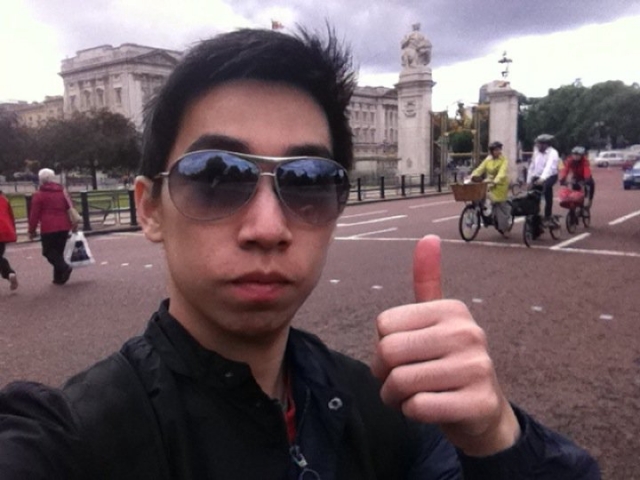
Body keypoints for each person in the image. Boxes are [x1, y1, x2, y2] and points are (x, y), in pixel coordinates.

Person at [0, 28, 599, 479]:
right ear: (150, 208)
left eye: (308, 181)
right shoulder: (73, 439)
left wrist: (496, 437)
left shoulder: (386, 409)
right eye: (215, 175)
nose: (268, 228)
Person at [28, 168, 74, 285]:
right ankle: (58, 278)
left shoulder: (39, 195)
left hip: (48, 227)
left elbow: (34, 214)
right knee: (58, 252)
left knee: (48, 252)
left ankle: (64, 268)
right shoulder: (61, 192)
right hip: (64, 225)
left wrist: (31, 230)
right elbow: (69, 207)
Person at [470, 141, 512, 237]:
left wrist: (496, 181)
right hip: (489, 183)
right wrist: (472, 176)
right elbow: (480, 169)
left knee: (500, 206)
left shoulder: (503, 160)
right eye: (496, 150)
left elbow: (502, 172)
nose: (498, 151)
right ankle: (486, 214)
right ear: (491, 151)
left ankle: (504, 229)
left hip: (500, 185)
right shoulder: (488, 159)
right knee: (479, 196)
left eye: (499, 149)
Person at [526, 133, 560, 225]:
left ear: (545, 144)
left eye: (539, 144)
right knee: (532, 194)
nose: (537, 145)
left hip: (550, 176)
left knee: (547, 188)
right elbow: (532, 166)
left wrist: (542, 179)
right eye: (537, 144)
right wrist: (529, 181)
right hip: (537, 175)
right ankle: (534, 214)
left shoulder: (553, 153)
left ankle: (548, 215)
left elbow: (549, 167)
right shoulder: (536, 152)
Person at [0, 190, 18, 290]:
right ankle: (9, 274)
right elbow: (11, 217)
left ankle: (9, 273)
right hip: (5, 230)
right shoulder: (4, 200)